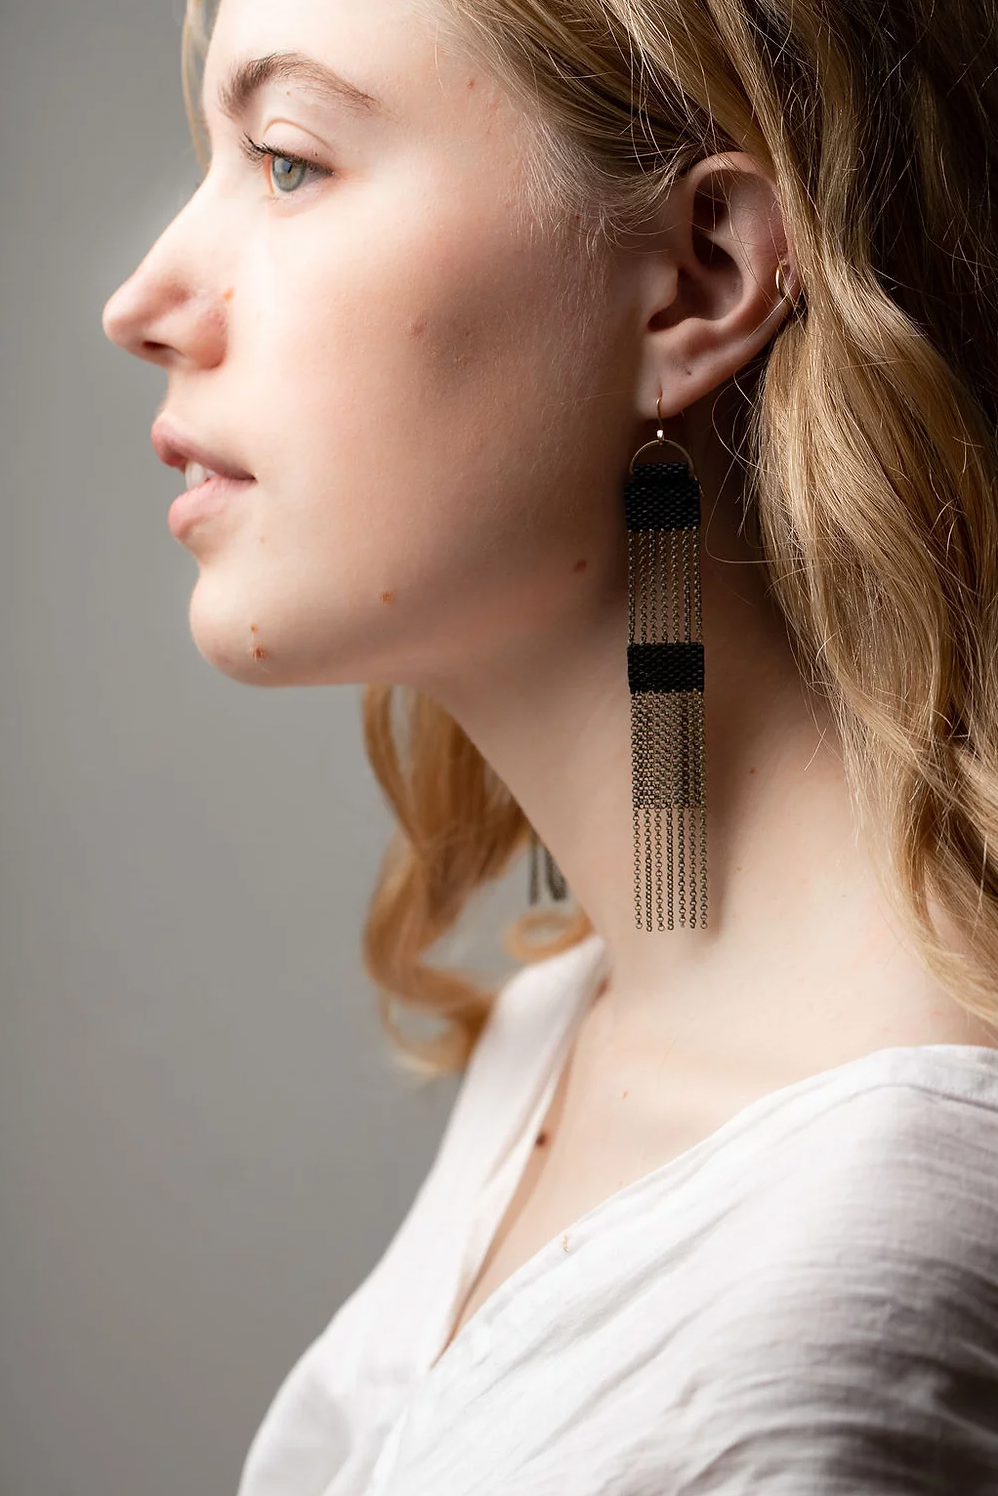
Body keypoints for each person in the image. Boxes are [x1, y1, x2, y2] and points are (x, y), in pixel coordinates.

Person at [101, 0, 998, 1489]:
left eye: (288, 160)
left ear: (696, 278)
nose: (142, 300)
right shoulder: (571, 1016)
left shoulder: (826, 1319)